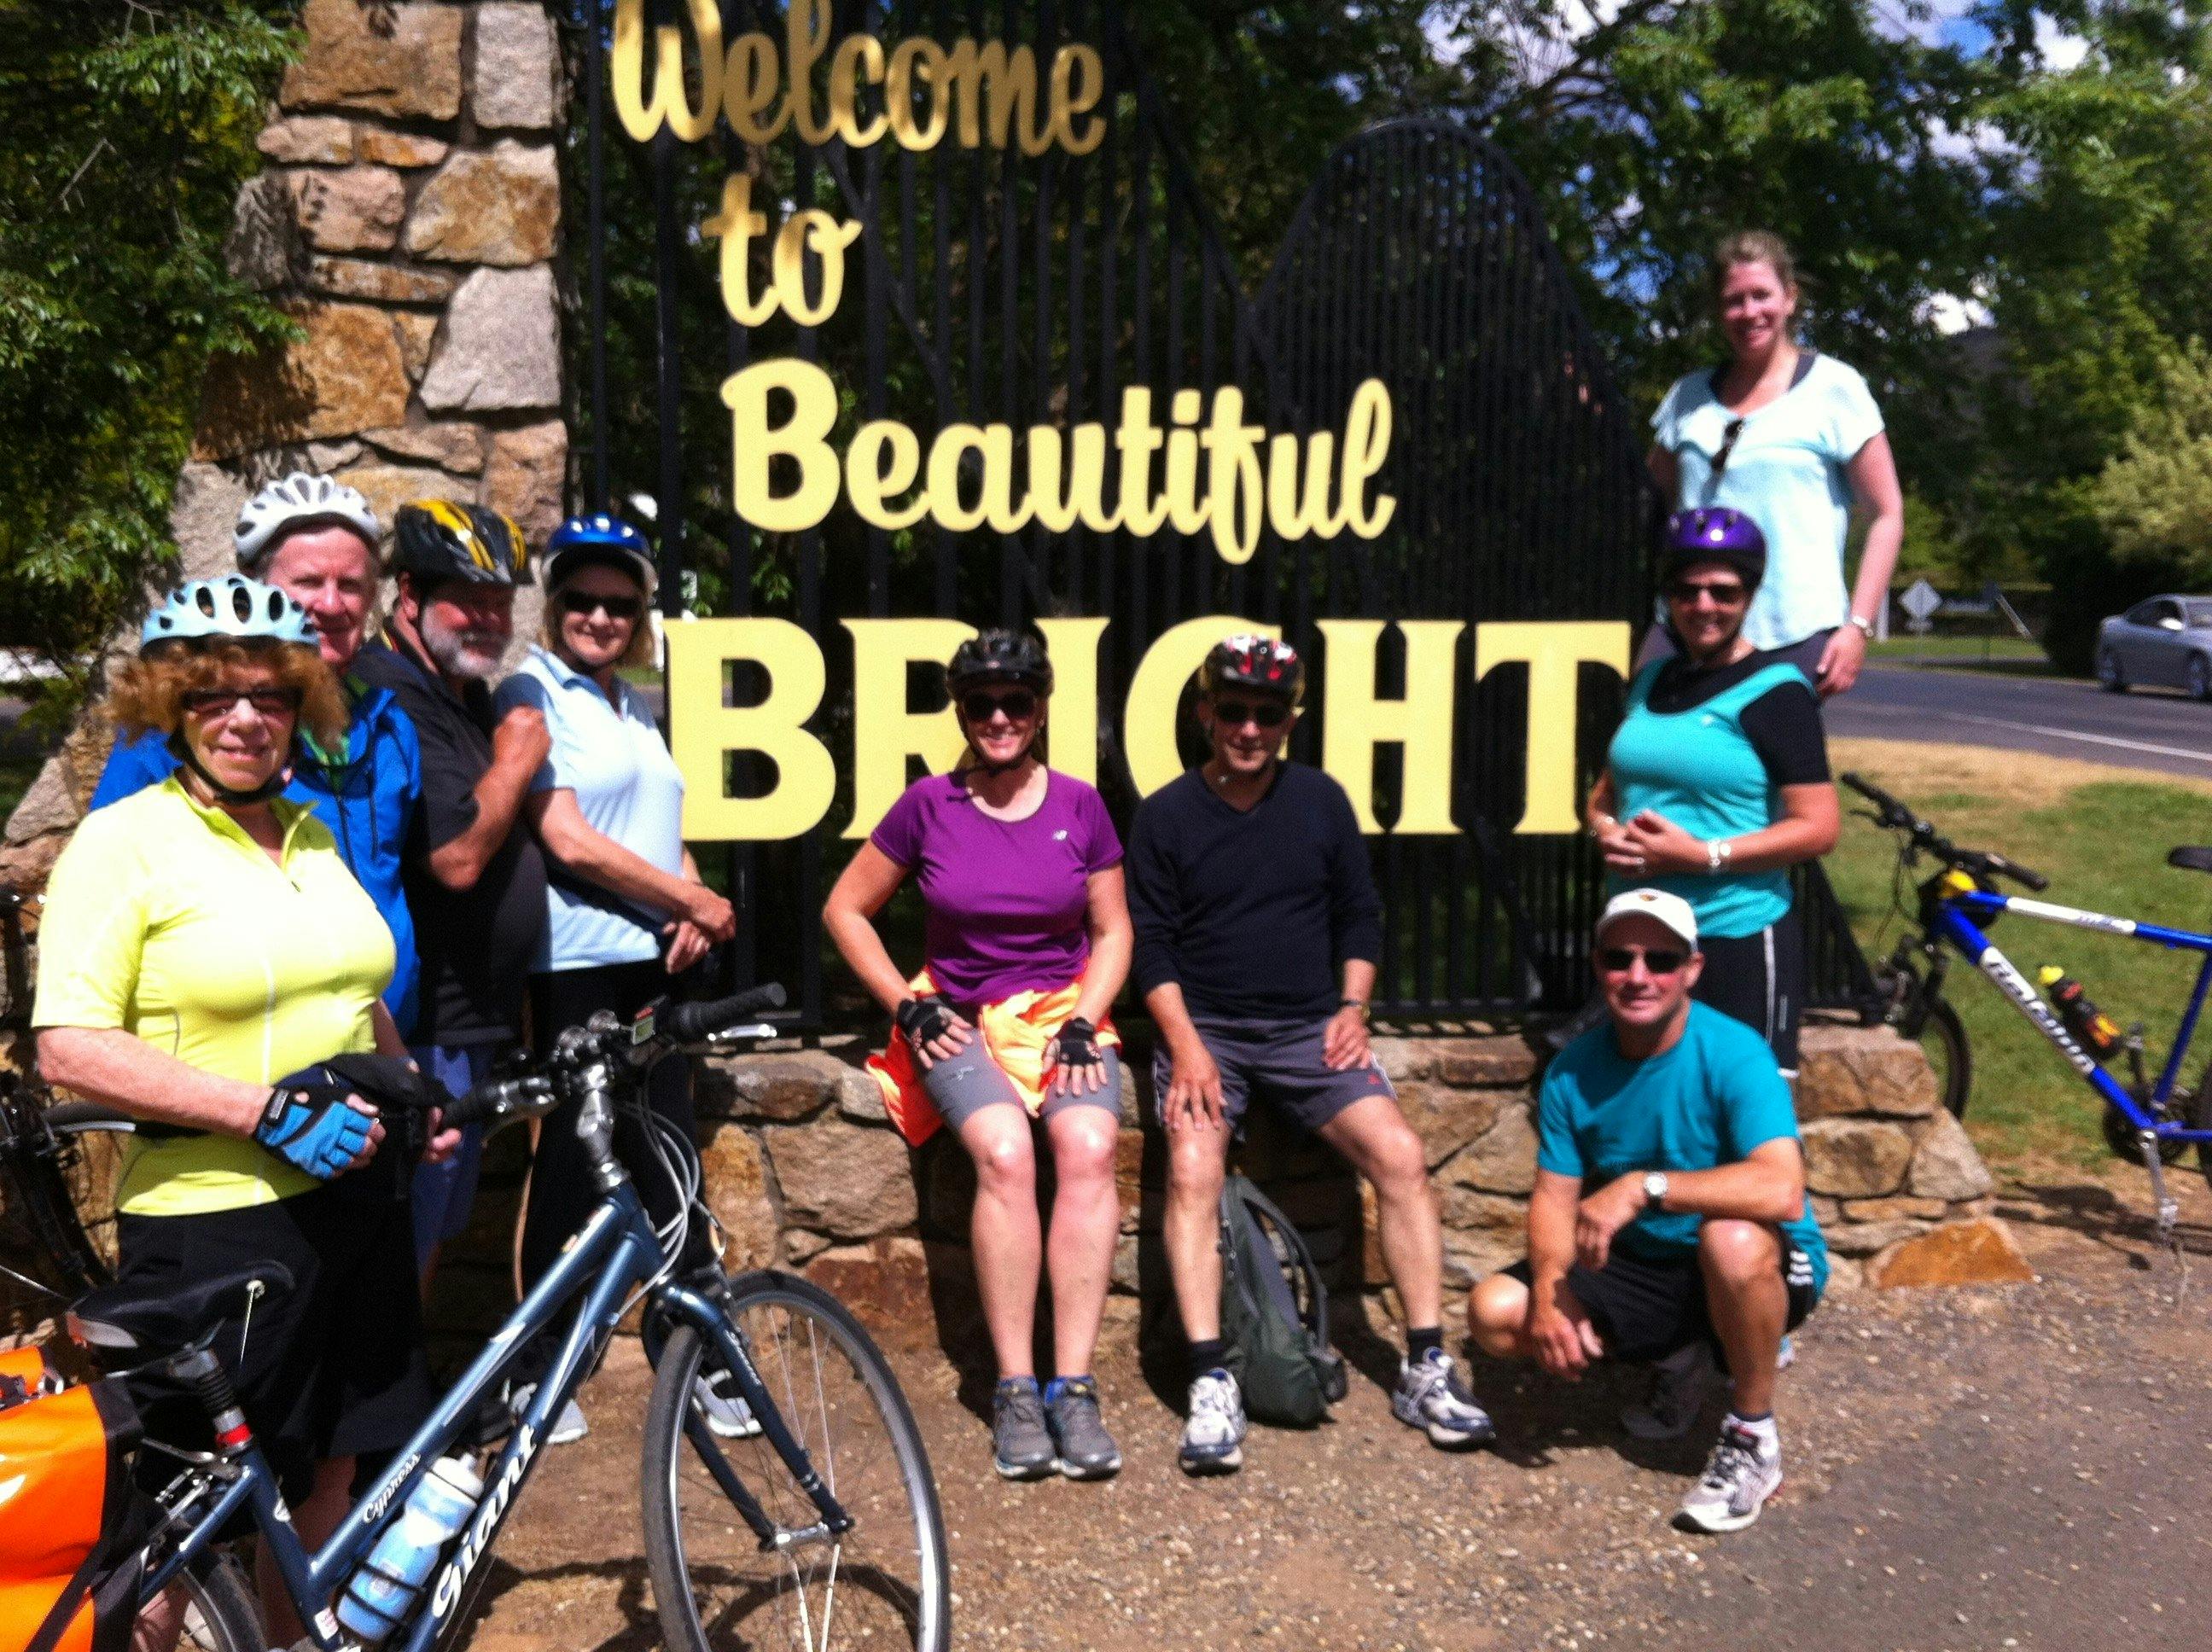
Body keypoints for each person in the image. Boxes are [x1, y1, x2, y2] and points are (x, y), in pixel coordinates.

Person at [33, 577, 453, 1644]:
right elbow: (68, 1045)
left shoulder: (309, 832)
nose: (245, 719)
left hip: (354, 1202)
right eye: (215, 696)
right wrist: (262, 1112)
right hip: (215, 1221)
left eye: (270, 696)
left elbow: (352, 991)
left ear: (302, 702)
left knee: (330, 1465)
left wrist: (412, 1096)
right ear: (171, 704)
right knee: (178, 1517)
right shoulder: (125, 842)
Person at [1126, 635, 1495, 1476]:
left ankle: (1425, 1363)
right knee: (1192, 1169)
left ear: (1290, 721)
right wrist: (1184, 1046)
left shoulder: (1321, 801)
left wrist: (1353, 1005)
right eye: (1233, 710)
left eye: (1267, 713)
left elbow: (1359, 914)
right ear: (1204, 713)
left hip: (1307, 1030)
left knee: (1400, 1155)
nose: (1248, 728)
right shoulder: (1168, 813)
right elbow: (1152, 947)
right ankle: (1211, 1375)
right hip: (1207, 1028)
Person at [824, 629, 1132, 1483]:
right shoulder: (928, 804)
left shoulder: (1079, 805)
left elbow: (1112, 930)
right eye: (981, 703)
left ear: (1040, 711)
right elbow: (845, 910)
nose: (999, 716)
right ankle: (1015, 1388)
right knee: (1002, 1154)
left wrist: (1089, 1016)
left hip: (1065, 1013)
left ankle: (1074, 1384)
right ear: (962, 712)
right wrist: (907, 1004)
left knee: (1090, 1146)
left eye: (1016, 701)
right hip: (958, 1018)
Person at [1468, 888, 1828, 1534]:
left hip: (1753, 1254)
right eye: (1620, 957)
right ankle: (1688, 1352)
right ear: (1598, 965)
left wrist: (1643, 1186)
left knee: (1734, 1241)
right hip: (1645, 1260)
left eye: (1661, 959)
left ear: (1692, 969)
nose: (1639, 976)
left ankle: (1751, 1436)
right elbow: (1553, 1198)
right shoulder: (1573, 1070)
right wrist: (1552, 1294)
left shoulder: (1736, 1052)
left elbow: (1783, 1190)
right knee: (1496, 1315)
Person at [494, 512, 738, 1444]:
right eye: (583, 600)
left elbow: (653, 821)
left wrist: (689, 898)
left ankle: (698, 1358)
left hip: (652, 961)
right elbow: (564, 837)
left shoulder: (633, 701)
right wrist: (684, 893)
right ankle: (532, 1372)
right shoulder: (530, 689)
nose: (600, 616)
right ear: (555, 605)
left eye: (619, 604)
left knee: (669, 1150)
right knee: (567, 1159)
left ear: (639, 615)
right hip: (577, 964)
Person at [89, 473, 423, 1034]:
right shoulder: (179, 730)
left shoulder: (391, 725)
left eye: (352, 584)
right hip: (243, 1054)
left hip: (383, 1045)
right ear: (260, 589)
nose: (332, 603)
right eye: (309, 582)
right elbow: (108, 897)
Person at [352, 499, 549, 1281]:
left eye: (502, 602)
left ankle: (414, 1395)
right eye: (469, 599)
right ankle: (398, 1401)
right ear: (409, 595)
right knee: (408, 1243)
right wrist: (517, 759)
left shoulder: (456, 691)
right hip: (425, 1024)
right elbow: (458, 857)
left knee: (431, 1234)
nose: (490, 619)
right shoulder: (393, 692)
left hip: (470, 1021)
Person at [1587, 509, 1839, 1072]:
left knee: (1748, 1125)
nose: (1704, 606)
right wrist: (1606, 831)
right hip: (1644, 945)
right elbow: (1605, 792)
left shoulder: (1778, 695)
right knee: (1645, 1108)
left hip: (1734, 934)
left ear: (1749, 596)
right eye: (1687, 590)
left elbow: (1819, 827)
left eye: (1723, 592)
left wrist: (1702, 856)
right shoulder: (1651, 681)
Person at [1647, 230, 1905, 697]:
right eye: (1734, 301)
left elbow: (1886, 513)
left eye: (1761, 295)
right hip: (1690, 627)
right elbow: (1648, 508)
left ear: (1789, 298)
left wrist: (1858, 626)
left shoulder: (1835, 389)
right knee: (1664, 760)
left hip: (1792, 632)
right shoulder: (1685, 399)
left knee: (1773, 767)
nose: (1749, 312)